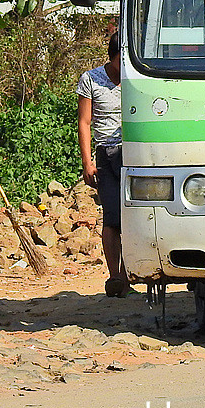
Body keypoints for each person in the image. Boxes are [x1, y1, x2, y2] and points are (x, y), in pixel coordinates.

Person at [78, 33, 127, 298]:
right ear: (112, 57)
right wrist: (88, 162)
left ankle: (131, 273)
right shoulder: (91, 79)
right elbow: (84, 122)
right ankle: (115, 276)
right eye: (121, 60)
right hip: (106, 155)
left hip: (133, 153)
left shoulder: (136, 75)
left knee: (133, 216)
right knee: (111, 217)